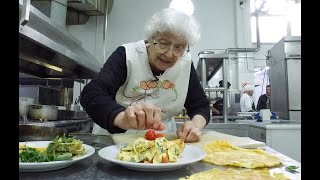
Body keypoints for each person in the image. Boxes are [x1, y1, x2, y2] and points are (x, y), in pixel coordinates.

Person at [80, 8, 210, 143]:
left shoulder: (185, 63)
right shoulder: (127, 55)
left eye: (179, 47)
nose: (169, 54)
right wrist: (122, 117)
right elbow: (92, 93)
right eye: (163, 43)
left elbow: (201, 106)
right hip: (116, 139)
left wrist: (194, 126)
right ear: (150, 38)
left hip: (162, 141)